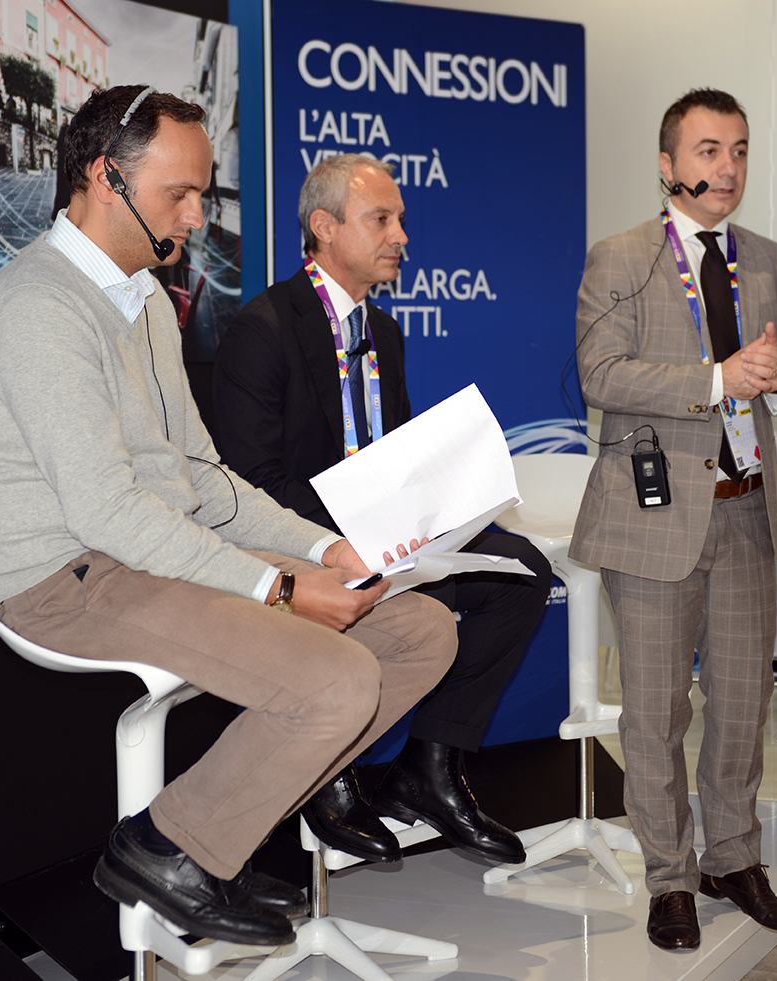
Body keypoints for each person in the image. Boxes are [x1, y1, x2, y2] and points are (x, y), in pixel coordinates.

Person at [0, 86, 458, 947]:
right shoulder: (40, 308)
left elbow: (202, 477)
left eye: (199, 193)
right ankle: (167, 847)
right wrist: (277, 589)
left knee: (419, 630)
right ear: (103, 177)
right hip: (60, 578)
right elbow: (107, 512)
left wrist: (323, 549)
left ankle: (219, 831)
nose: (196, 215)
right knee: (338, 678)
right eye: (179, 194)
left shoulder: (145, 298)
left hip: (141, 550)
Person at [212, 153, 551, 866]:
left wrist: (438, 508)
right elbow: (249, 482)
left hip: (385, 535)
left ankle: (429, 765)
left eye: (400, 219)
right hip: (303, 543)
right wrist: (349, 538)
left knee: (521, 572)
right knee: (396, 599)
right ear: (325, 226)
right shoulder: (263, 327)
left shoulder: (382, 334)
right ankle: (324, 767)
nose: (402, 236)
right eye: (382, 219)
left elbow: (389, 459)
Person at [571, 88, 777, 951]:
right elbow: (600, 374)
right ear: (667, 164)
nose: (728, 167)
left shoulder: (769, 260)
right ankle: (670, 877)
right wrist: (717, 379)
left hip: (744, 512)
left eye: (739, 150)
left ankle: (734, 859)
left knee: (743, 703)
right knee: (655, 714)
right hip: (653, 520)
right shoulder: (621, 257)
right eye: (708, 150)